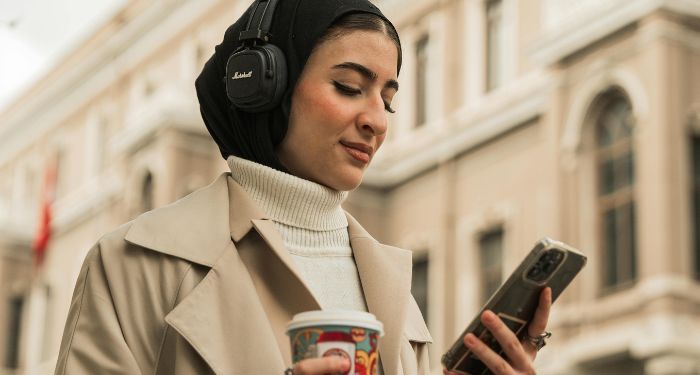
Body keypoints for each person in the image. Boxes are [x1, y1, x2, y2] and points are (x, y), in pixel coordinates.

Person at [54, 0, 552, 374]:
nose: (377, 120)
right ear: (262, 89)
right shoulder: (134, 262)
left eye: (389, 98)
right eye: (350, 88)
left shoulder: (396, 289)